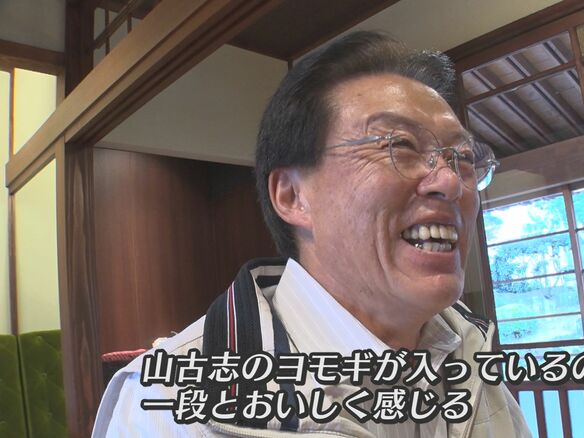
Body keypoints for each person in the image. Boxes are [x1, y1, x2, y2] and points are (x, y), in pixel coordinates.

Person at [93, 30, 530, 437]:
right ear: (292, 196)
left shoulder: (470, 352)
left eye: (462, 157)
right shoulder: (169, 401)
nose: (451, 181)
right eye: (399, 145)